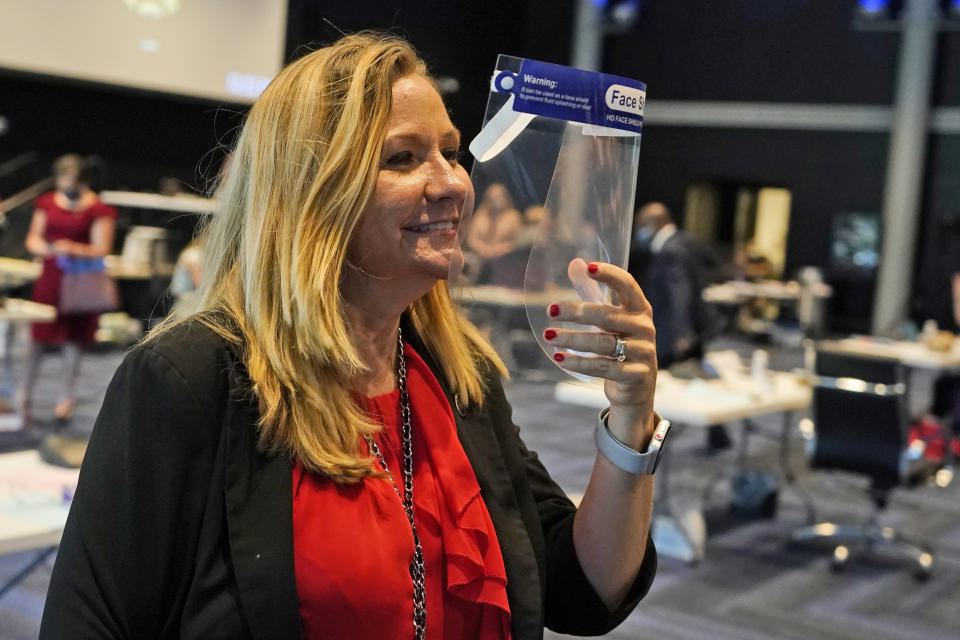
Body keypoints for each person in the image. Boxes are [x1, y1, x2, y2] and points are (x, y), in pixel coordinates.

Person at [41, 33, 661, 640]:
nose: (453, 183)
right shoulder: (192, 377)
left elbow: (584, 591)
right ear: (311, 194)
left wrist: (630, 422)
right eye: (403, 158)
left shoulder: (455, 372)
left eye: (452, 150)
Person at [21, 154, 117, 423]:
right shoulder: (48, 202)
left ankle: (65, 398)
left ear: (83, 180)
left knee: (73, 343)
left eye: (72, 181)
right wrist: (48, 249)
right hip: (50, 278)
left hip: (79, 282)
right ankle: (24, 395)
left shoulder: (98, 209)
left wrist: (72, 248)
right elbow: (33, 238)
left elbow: (102, 248)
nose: (67, 186)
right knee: (36, 340)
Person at [630, 201, 730, 450]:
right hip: (696, 326)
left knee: (660, 380)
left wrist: (681, 332)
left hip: (677, 330)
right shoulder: (686, 240)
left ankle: (655, 435)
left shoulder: (671, 250)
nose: (639, 233)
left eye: (641, 226)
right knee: (695, 380)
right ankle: (716, 435)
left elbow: (679, 292)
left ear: (652, 225)